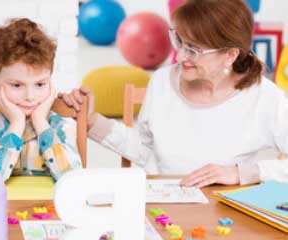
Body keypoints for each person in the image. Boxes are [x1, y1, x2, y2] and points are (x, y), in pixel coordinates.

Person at [60, 0, 288, 188]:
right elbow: (145, 150)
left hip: (224, 215)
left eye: (194, 50)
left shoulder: (264, 97)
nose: (179, 57)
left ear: (230, 55)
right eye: (179, 41)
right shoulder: (161, 82)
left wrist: (242, 173)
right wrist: (90, 121)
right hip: (163, 205)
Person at [0, 18, 82, 188]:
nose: (30, 96)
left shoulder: (61, 127)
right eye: (16, 85)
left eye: (40, 84)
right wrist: (16, 124)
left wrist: (41, 122)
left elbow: (73, 179)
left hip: (52, 211)